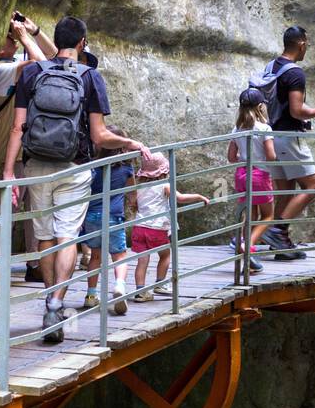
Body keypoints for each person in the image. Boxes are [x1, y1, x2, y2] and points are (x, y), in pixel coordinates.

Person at [2, 15, 154, 343]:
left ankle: (50, 303)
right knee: (67, 236)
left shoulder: (32, 72)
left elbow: (18, 128)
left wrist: (8, 172)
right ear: (82, 43)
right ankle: (58, 301)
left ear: (56, 40)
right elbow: (99, 137)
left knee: (43, 237)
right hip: (74, 167)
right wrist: (129, 143)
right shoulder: (90, 77)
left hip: (36, 165)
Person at [0, 14, 56, 285]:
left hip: (31, 152)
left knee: (34, 213)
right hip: (12, 155)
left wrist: (34, 31)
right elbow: (46, 65)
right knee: (8, 211)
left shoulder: (13, 64)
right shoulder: (0, 72)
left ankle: (34, 263)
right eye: (8, 36)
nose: (12, 38)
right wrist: (25, 39)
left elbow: (56, 58)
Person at [260, 26, 315, 261]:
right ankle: (277, 230)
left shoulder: (271, 67)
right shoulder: (295, 73)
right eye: (307, 43)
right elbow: (297, 110)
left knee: (286, 191)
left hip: (271, 135)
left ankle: (281, 244)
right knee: (312, 186)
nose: (307, 47)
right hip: (289, 136)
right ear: (301, 44)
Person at [128, 153, 209, 300]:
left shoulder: (138, 186)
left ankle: (140, 291)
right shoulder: (164, 185)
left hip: (139, 227)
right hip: (157, 228)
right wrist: (199, 196)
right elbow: (180, 198)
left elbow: (133, 203)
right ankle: (160, 283)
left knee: (142, 260)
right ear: (164, 170)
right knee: (165, 255)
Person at [79, 126, 134, 316]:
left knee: (95, 256)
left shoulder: (92, 167)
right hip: (113, 216)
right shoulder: (127, 168)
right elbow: (131, 194)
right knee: (119, 255)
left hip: (92, 216)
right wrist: (134, 205)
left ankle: (91, 295)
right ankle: (119, 286)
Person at [228, 89, 276, 275]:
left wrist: (245, 156)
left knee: (251, 215)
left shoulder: (237, 129)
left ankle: (249, 259)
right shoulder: (264, 129)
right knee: (268, 216)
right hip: (259, 175)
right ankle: (246, 244)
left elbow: (231, 157)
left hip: (241, 174)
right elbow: (271, 156)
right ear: (260, 107)